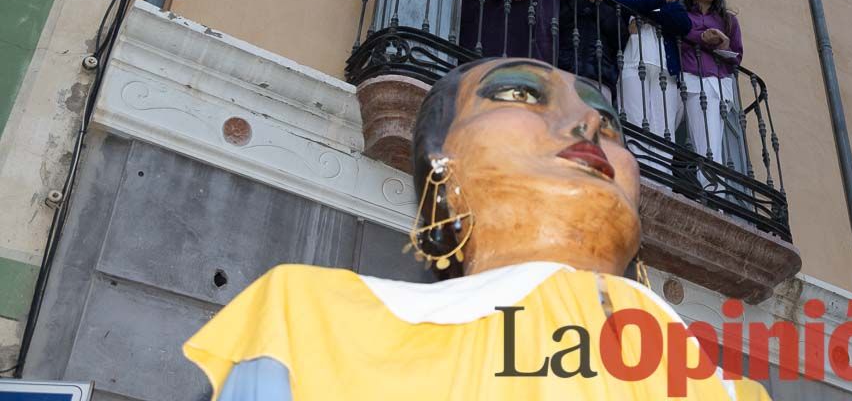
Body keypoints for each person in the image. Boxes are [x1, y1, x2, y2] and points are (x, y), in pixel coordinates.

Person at [183, 58, 770, 399]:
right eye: (517, 94)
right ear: (441, 165)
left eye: (610, 124)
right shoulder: (307, 322)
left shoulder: (734, 394)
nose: (589, 123)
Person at [608, 0, 691, 137]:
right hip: (631, 64)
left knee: (664, 129)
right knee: (635, 123)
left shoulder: (672, 3)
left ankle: (662, 167)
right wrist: (661, 0)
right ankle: (639, 166)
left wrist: (646, 14)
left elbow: (683, 25)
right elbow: (621, 5)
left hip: (665, 70)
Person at [680, 0, 743, 172]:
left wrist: (724, 45)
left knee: (710, 143)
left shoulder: (728, 21)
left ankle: (713, 196)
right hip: (687, 78)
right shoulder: (681, 15)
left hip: (715, 83)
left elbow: (737, 57)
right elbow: (677, 35)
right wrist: (702, 38)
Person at [557, 0, 620, 101]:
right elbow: (559, 20)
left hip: (601, 75)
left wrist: (600, 4)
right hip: (567, 71)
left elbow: (619, 37)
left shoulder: (610, 5)